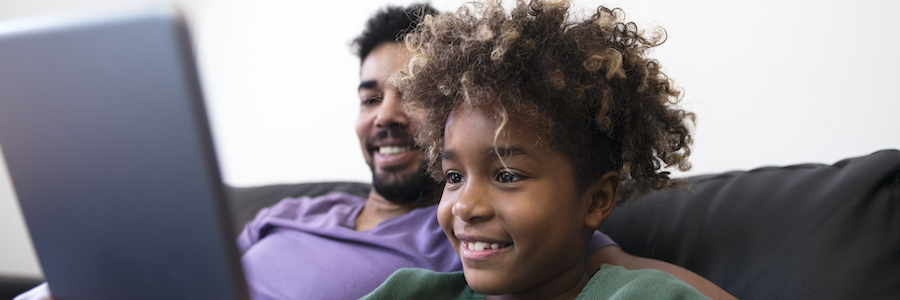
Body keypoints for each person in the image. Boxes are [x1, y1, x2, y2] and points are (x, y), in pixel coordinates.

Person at [16, 3, 733, 300]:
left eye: (407, 96)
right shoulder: (296, 212)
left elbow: (605, 268)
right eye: (368, 97)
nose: (470, 200)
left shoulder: (448, 253)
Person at [362, 0, 711, 299]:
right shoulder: (411, 292)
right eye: (454, 176)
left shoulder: (644, 295)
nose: (466, 206)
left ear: (597, 200)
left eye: (507, 175)